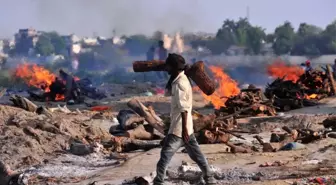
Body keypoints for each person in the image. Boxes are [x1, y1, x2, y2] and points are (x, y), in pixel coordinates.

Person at [153, 53, 216, 185]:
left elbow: (184, 108)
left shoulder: (180, 83)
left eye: (168, 66)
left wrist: (184, 132)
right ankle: (209, 179)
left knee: (165, 157)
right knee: (197, 156)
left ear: (174, 67)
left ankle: (158, 182)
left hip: (179, 129)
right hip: (186, 127)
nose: (167, 69)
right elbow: (168, 92)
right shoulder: (180, 79)